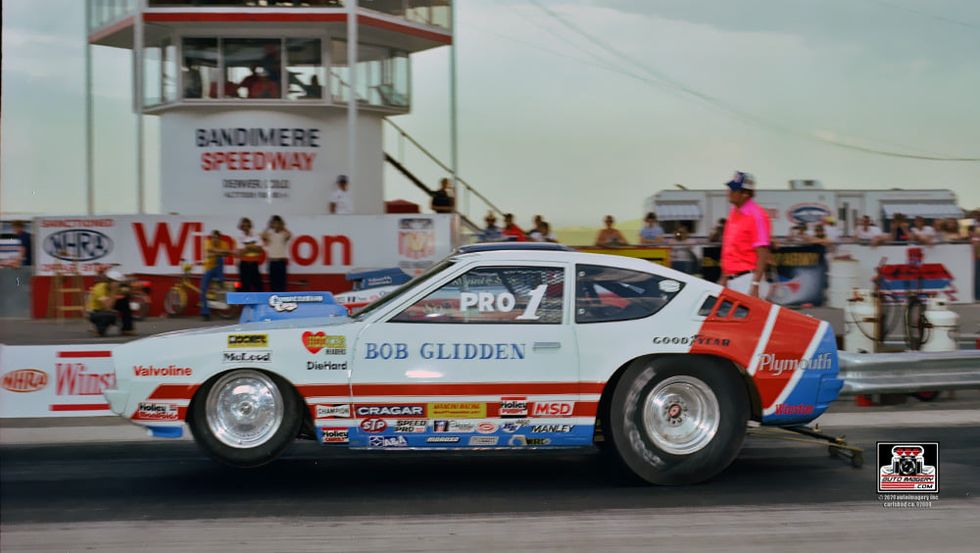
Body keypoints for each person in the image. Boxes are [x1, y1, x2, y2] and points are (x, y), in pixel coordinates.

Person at [719, 171, 771, 298]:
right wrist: (725, 277)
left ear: (745, 194)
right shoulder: (733, 213)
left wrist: (755, 284)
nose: (729, 192)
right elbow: (729, 249)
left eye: (734, 189)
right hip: (732, 279)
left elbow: (762, 252)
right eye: (730, 188)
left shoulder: (757, 215)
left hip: (747, 279)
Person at [87, 269, 134, 337]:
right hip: (96, 311)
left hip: (106, 308)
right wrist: (114, 291)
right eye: (116, 282)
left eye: (119, 282)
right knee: (107, 315)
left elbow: (128, 295)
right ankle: (98, 329)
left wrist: (128, 290)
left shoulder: (118, 287)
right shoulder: (99, 288)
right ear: (109, 281)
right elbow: (107, 307)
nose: (118, 284)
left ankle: (126, 329)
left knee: (124, 302)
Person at [200, 230, 231, 321]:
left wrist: (215, 253)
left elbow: (226, 253)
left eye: (216, 238)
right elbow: (212, 251)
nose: (215, 239)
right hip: (209, 269)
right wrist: (221, 252)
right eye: (213, 237)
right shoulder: (207, 242)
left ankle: (220, 279)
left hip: (218, 268)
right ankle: (205, 313)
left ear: (219, 238)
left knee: (220, 259)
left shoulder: (224, 243)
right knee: (203, 289)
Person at [262, 215, 292, 291]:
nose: (276, 225)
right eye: (274, 223)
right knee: (273, 284)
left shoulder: (284, 234)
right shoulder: (270, 234)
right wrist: (269, 226)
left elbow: (289, 235)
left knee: (282, 284)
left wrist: (283, 226)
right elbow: (263, 236)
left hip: (281, 262)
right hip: (272, 262)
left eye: (278, 223)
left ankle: (282, 301)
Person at [236, 217, 264, 292]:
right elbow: (240, 253)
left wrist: (247, 247)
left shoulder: (256, 235)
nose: (246, 228)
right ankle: (246, 303)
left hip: (254, 264)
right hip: (244, 264)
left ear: (250, 226)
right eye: (244, 226)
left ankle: (260, 303)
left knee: (258, 286)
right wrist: (252, 246)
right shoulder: (239, 237)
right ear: (241, 227)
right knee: (245, 286)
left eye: (247, 226)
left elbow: (260, 250)